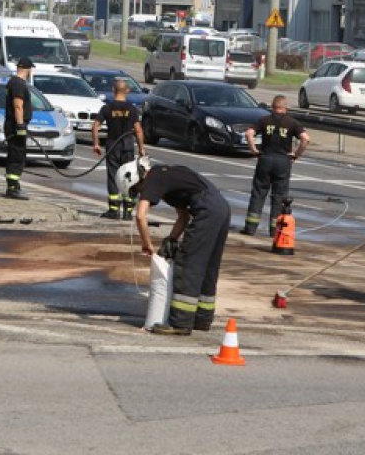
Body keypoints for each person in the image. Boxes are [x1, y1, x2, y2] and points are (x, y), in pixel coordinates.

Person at [121, 157, 231, 335]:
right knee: (208, 266)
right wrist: (171, 239)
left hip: (207, 209)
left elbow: (140, 216)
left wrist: (147, 244)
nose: (140, 193)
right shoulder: (167, 175)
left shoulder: (153, 177)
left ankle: (180, 322)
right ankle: (201, 319)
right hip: (221, 208)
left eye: (135, 190)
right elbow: (184, 217)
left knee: (188, 264)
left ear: (137, 177)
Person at [241, 95, 310, 236]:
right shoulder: (292, 123)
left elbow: (249, 133)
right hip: (283, 162)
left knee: (258, 193)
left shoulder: (264, 120)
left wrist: (254, 150)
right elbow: (305, 139)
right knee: (279, 196)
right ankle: (275, 230)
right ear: (285, 108)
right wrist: (296, 155)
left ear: (272, 107)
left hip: (265, 159)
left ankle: (250, 228)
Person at [91, 77, 145, 219]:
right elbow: (138, 130)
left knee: (113, 177)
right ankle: (128, 212)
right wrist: (141, 149)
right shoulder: (132, 109)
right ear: (127, 91)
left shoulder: (107, 108)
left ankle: (113, 210)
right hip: (127, 147)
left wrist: (96, 143)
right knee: (129, 177)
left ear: (113, 90)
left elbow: (96, 125)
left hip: (112, 146)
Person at [3, 57, 35, 200]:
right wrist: (20, 125)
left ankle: (14, 184)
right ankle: (12, 188)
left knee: (17, 154)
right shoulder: (18, 84)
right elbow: (18, 106)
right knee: (17, 155)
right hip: (16, 125)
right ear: (28, 69)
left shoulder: (14, 82)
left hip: (13, 124)